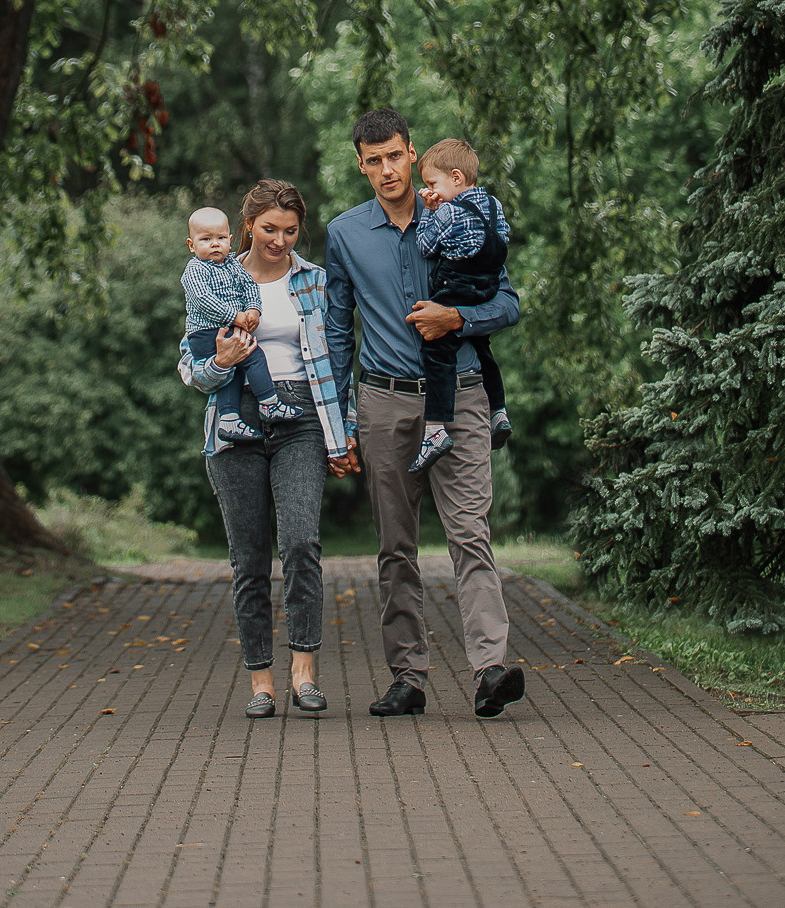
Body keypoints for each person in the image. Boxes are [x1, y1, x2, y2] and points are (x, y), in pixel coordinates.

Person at [325, 107, 526, 720]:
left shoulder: (460, 214)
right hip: (383, 403)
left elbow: (509, 300)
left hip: (461, 394)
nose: (387, 169)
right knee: (396, 545)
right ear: (361, 166)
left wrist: (457, 318)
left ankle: (491, 668)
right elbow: (337, 330)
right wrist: (338, 424)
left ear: (412, 153)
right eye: (373, 161)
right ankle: (407, 678)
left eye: (394, 155)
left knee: (470, 532)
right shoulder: (345, 235)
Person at [179, 179, 351, 719]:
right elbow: (190, 368)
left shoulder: (316, 282)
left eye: (291, 230)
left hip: (300, 418)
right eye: (269, 229)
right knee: (248, 558)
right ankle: (261, 681)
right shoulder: (211, 278)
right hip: (235, 420)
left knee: (300, 542)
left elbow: (339, 366)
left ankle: (303, 671)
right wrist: (222, 363)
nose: (279, 240)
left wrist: (342, 435)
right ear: (246, 226)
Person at [410, 139, 513, 473]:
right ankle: (498, 410)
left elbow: (425, 247)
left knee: (437, 353)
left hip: (457, 287)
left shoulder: (448, 212)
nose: (430, 191)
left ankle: (436, 428)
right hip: (487, 287)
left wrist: (429, 212)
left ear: (455, 178)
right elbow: (504, 236)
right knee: (483, 349)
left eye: (432, 184)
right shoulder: (494, 204)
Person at [181, 204, 304, 445]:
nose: (214, 244)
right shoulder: (194, 270)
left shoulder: (232, 265)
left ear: (230, 239)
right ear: (191, 245)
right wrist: (235, 317)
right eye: (205, 239)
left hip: (232, 327)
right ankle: (268, 404)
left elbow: (249, 286)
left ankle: (229, 420)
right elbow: (203, 300)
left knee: (236, 369)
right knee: (251, 358)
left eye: (219, 238)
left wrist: (253, 309)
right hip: (206, 333)